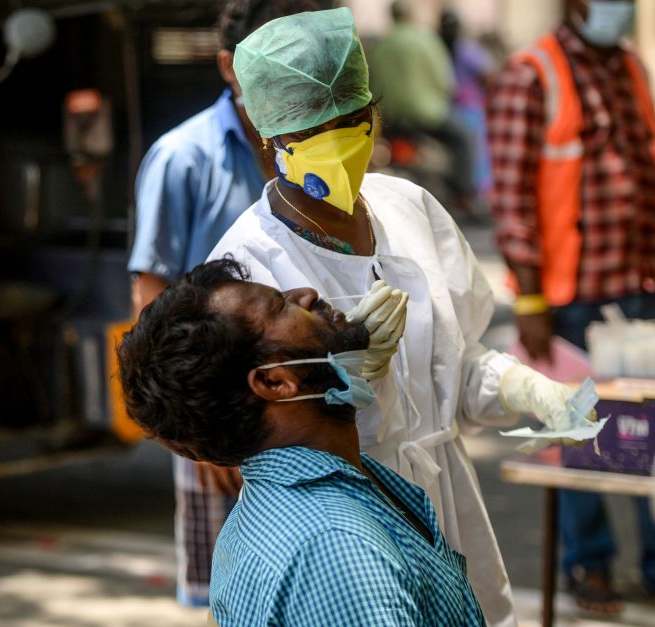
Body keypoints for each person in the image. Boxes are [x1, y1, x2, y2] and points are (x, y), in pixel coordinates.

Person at [207, 8, 599, 625]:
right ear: (270, 136)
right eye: (315, 133)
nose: (340, 143)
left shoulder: (409, 206)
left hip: (445, 495)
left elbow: (453, 363)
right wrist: (346, 383)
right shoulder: (244, 269)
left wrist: (524, 388)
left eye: (352, 122)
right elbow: (252, 434)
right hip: (348, 518)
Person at [118, 258, 486, 626]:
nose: (307, 294)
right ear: (276, 382)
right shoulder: (336, 546)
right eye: (282, 305)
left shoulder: (318, 494)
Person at [125, 0, 319, 607]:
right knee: (231, 593)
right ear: (228, 66)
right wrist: (198, 435)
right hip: (215, 412)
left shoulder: (310, 151)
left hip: (298, 397)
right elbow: (150, 297)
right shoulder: (183, 157)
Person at [487, 0, 655, 613]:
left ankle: (651, 564)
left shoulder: (629, 67)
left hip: (636, 291)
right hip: (567, 300)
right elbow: (511, 197)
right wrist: (529, 298)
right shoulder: (532, 74)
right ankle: (591, 565)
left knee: (644, 437)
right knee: (579, 442)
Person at [367, 1, 477, 211]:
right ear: (411, 15)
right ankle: (464, 196)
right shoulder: (427, 39)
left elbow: (371, 84)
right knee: (466, 138)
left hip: (391, 118)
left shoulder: (381, 45)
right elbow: (447, 84)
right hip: (428, 115)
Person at [439, 8, 495, 194]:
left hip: (464, 107)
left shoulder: (459, 49)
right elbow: (488, 75)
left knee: (475, 154)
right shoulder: (460, 48)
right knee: (474, 153)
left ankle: (474, 192)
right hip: (462, 108)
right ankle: (470, 193)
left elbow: (486, 75)